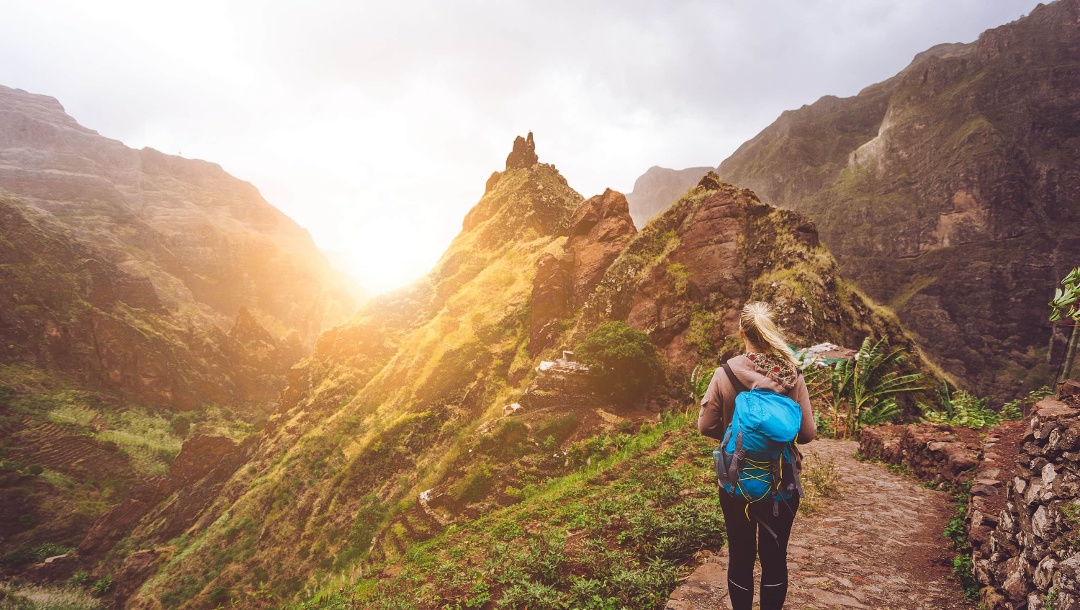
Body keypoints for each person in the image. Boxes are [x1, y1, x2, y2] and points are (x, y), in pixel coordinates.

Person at [698, 301, 816, 610]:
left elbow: (706, 425)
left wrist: (736, 432)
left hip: (736, 483)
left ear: (742, 333)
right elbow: (806, 434)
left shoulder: (725, 373)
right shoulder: (791, 374)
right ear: (772, 332)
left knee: (740, 556)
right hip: (782, 484)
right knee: (775, 558)